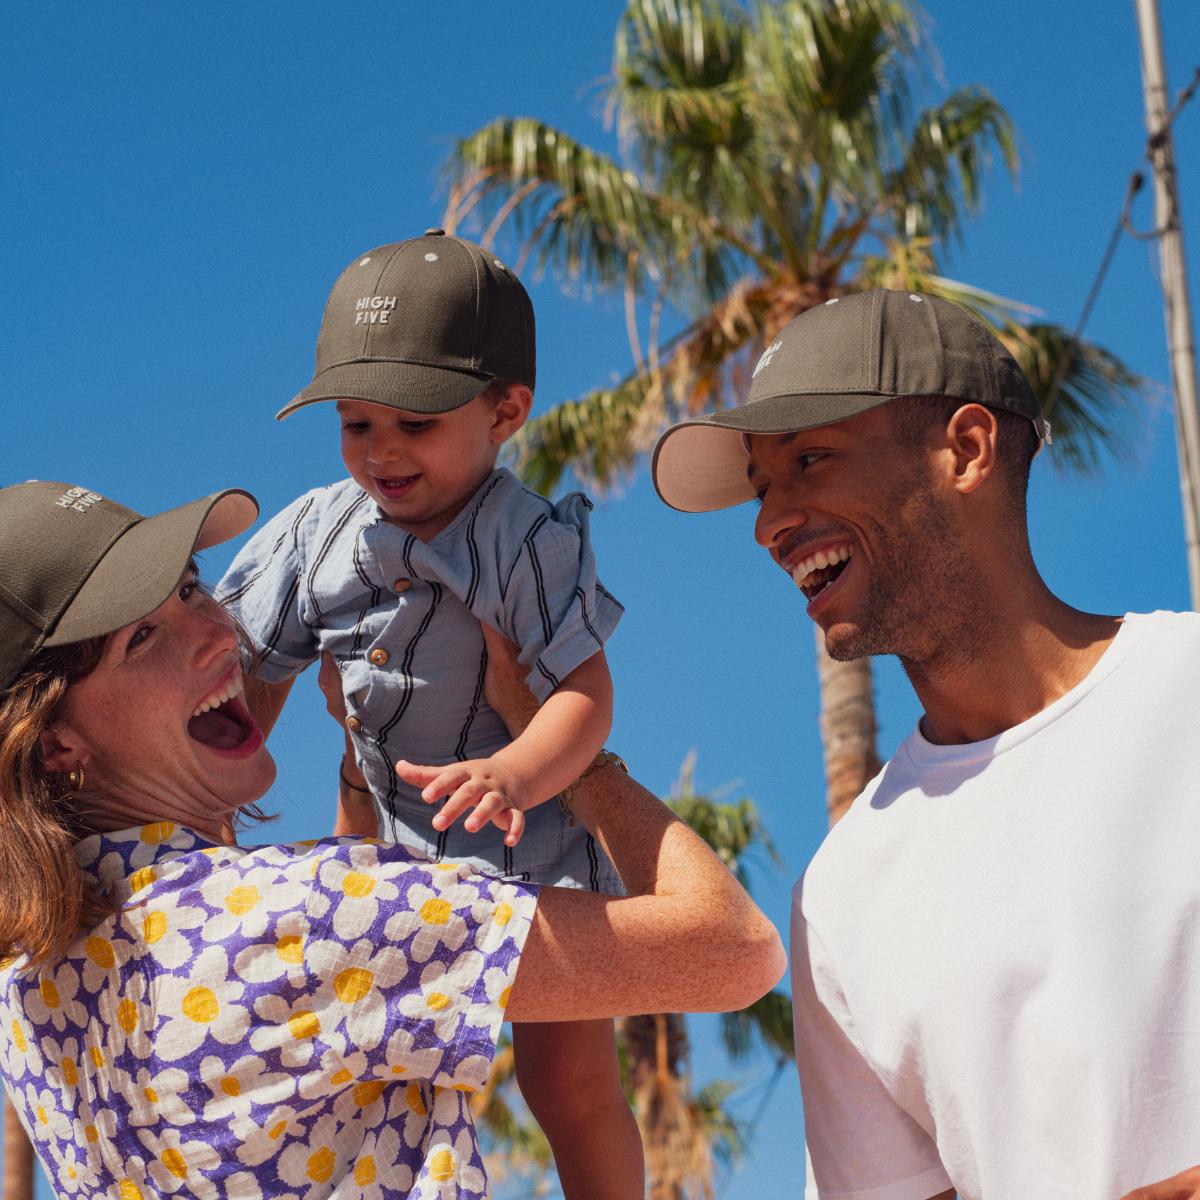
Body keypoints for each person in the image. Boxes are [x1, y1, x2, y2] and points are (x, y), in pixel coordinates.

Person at [0, 478, 785, 1200]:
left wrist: (355, 771)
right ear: (55, 744)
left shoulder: (28, 985)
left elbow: (304, 1022)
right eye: (140, 639)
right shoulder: (315, 919)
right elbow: (734, 950)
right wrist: (571, 759)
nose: (214, 633)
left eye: (189, 589)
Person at [651, 289, 1200, 1200]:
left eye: (811, 460)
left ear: (968, 450)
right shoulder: (840, 893)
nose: (768, 523)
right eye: (761, 486)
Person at [217, 231, 637, 1194]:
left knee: (568, 1082)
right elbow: (242, 677)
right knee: (370, 1082)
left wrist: (514, 773)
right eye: (358, 424)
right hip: (389, 860)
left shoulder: (527, 540)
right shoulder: (318, 531)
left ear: (506, 411)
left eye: (415, 421)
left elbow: (586, 694)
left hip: (535, 851)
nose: (383, 451)